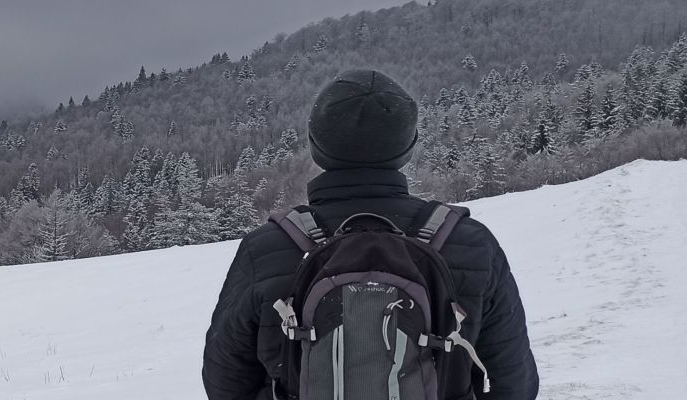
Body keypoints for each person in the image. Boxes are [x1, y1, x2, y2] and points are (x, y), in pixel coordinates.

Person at [201, 70, 538, 399]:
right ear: (409, 147)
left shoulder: (268, 248)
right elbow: (515, 382)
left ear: (315, 146)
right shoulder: (471, 243)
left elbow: (225, 382)